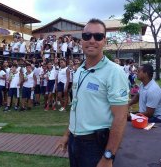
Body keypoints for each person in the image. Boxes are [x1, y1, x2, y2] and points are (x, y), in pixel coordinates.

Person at [55, 18, 129, 167]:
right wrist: (67, 135)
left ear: (104, 41)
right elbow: (77, 107)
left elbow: (120, 118)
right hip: (75, 142)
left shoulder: (114, 72)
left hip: (95, 145)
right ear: (81, 41)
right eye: (87, 36)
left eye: (98, 36)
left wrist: (108, 156)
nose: (92, 40)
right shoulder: (80, 70)